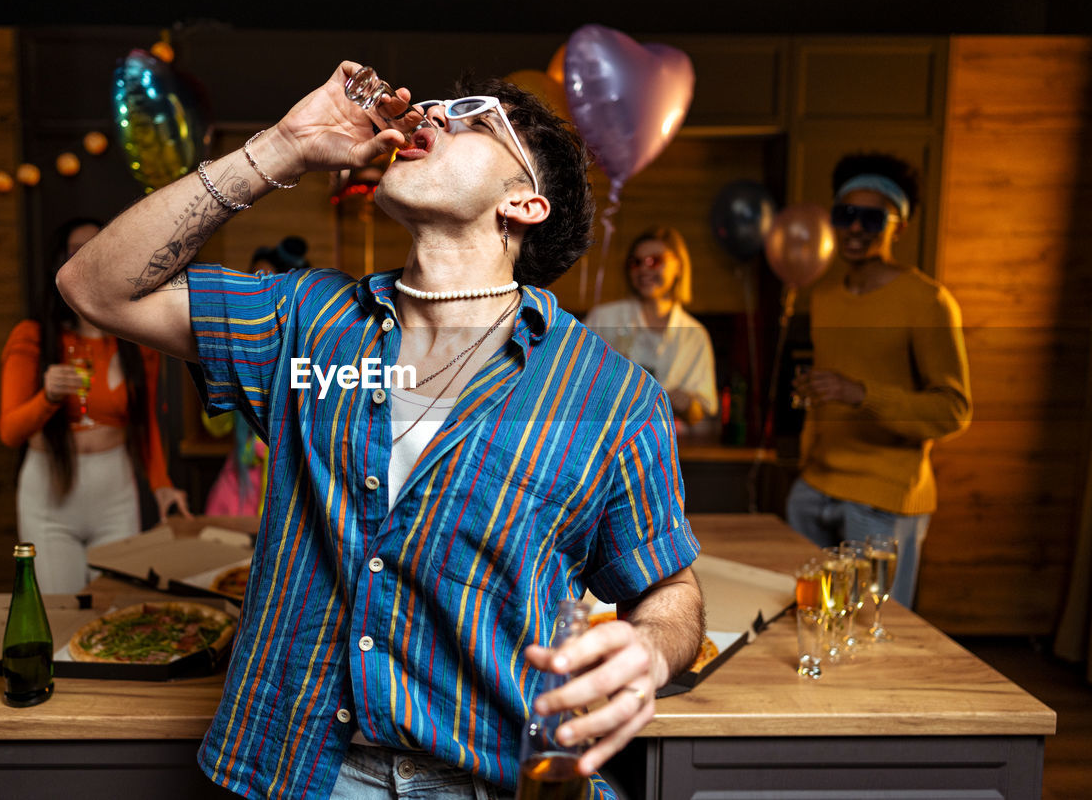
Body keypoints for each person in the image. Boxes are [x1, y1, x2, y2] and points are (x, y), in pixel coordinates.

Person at [58, 62, 704, 799]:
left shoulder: (613, 397)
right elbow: (93, 286)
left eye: (475, 117)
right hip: (299, 772)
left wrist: (651, 650)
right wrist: (285, 147)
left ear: (525, 203)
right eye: (442, 106)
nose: (432, 113)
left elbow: (671, 590)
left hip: (493, 780)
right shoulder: (306, 323)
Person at [787, 153, 971, 607]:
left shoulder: (929, 302)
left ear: (899, 227)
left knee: (873, 631)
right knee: (802, 621)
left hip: (882, 498)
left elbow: (953, 409)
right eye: (845, 214)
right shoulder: (825, 298)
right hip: (814, 487)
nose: (854, 228)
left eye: (871, 218)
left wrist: (861, 394)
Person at [0, 218, 191, 594]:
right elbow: (10, 432)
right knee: (62, 611)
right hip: (49, 493)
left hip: (114, 492)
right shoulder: (32, 336)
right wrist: (47, 397)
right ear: (61, 265)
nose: (89, 258)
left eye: (100, 247)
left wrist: (162, 485)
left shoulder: (135, 340)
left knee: (116, 607)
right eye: (76, 251)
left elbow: (147, 421)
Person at [203, 236, 308, 515]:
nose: (258, 290)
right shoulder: (237, 349)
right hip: (236, 493)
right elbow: (215, 426)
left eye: (268, 281)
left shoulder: (306, 354)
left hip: (284, 499)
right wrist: (216, 363)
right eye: (252, 280)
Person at [584, 227, 718, 432]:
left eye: (654, 261)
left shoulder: (694, 334)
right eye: (636, 263)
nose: (644, 269)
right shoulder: (604, 317)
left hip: (671, 450)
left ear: (679, 266)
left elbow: (703, 416)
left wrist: (687, 405)